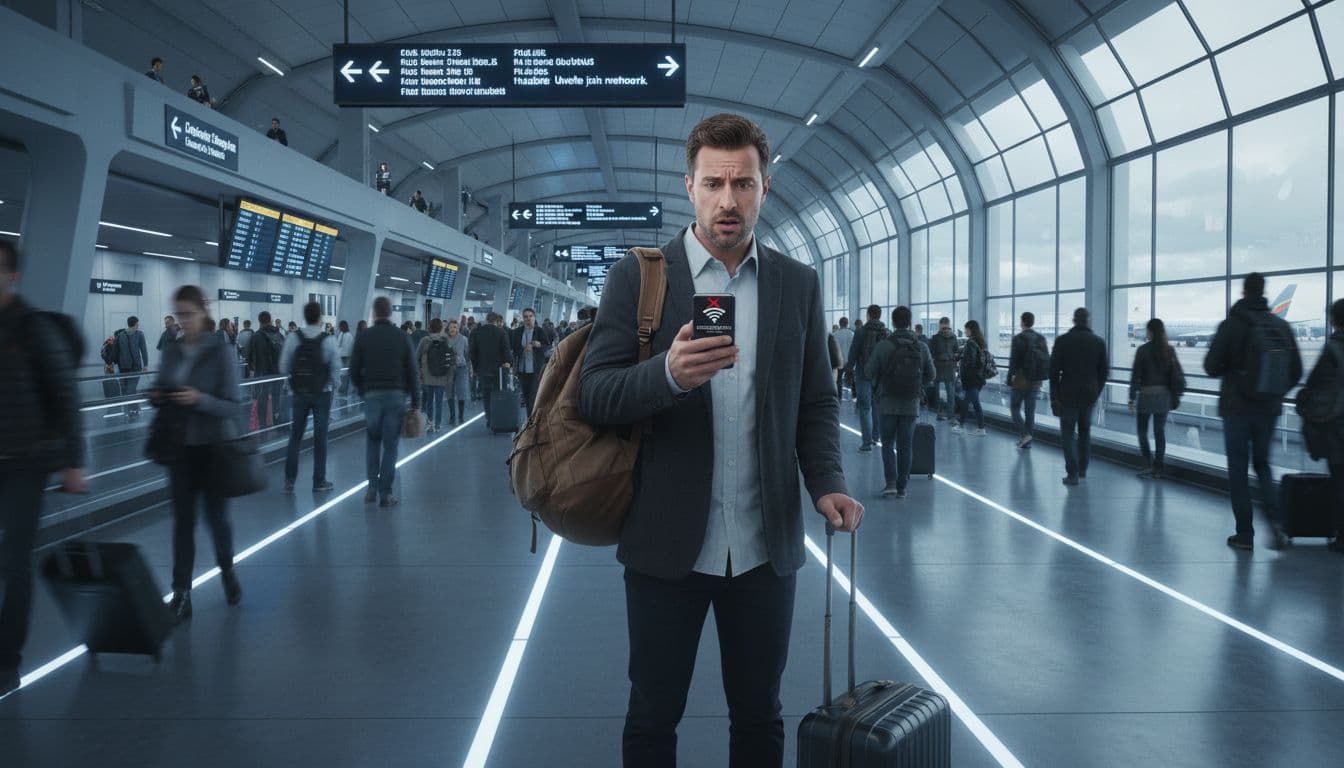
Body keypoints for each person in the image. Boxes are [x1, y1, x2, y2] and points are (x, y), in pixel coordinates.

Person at [579, 112, 862, 768]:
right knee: (653, 714)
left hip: (765, 548)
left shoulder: (796, 284)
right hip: (666, 546)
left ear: (766, 188)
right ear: (689, 186)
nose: (727, 200)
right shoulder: (641, 278)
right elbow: (596, 395)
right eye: (713, 183)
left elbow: (814, 402)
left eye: (743, 184)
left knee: (760, 715)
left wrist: (828, 482)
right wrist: (667, 376)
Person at [0, 241, 86, 697]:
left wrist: (73, 461)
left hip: (25, 462)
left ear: (13, 275)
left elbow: (65, 396)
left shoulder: (33, 329)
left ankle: (6, 661)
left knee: (14, 562)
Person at [150, 285, 243, 623]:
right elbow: (159, 385)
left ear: (203, 313)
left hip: (213, 448)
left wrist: (199, 400)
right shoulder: (172, 351)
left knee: (217, 520)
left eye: (189, 314)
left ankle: (227, 570)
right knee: (183, 523)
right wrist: (159, 394)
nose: (183, 322)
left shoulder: (221, 352)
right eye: (179, 315)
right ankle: (181, 593)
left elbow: (233, 405)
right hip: (179, 450)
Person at [1205, 273, 1303, 550]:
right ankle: (1277, 523)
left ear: (1244, 290)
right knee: (1263, 465)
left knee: (1238, 470)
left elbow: (1211, 366)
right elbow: (1296, 371)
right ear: (1263, 292)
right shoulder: (1280, 326)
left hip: (1237, 408)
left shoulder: (1232, 325)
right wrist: (1273, 393)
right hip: (1268, 410)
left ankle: (1245, 534)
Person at [349, 297, 420, 507]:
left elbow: (353, 370)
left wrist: (363, 390)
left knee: (372, 442)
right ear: (390, 313)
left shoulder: (364, 337)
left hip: (372, 396)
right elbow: (412, 370)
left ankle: (371, 487)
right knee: (391, 446)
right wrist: (415, 399)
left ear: (374, 313)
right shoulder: (401, 337)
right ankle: (386, 492)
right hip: (396, 396)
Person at [865, 306, 935, 498]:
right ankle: (903, 486)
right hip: (911, 403)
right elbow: (932, 374)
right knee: (906, 444)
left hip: (886, 402)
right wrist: (918, 387)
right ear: (910, 322)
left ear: (894, 322)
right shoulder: (921, 347)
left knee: (887, 443)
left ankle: (890, 483)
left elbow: (869, 371)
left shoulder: (884, 345)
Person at [1297, 298, 1344, 553]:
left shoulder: (1333, 349)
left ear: (1334, 320)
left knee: (1339, 479)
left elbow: (1315, 383)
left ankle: (1341, 535)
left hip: (1338, 425)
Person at [280, 301, 340, 493]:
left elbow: (283, 366)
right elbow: (336, 369)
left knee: (295, 437)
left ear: (305, 317)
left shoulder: (292, 338)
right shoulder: (328, 339)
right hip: (322, 393)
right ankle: (319, 481)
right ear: (320, 317)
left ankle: (289, 481)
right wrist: (333, 386)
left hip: (299, 393)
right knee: (320, 438)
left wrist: (293, 379)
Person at [1050, 308, 1109, 487]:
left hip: (1067, 394)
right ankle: (1083, 468)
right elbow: (1104, 372)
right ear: (1087, 320)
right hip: (1089, 394)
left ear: (1074, 320)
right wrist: (1096, 391)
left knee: (1068, 434)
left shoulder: (1063, 341)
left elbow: (1053, 371)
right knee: (1085, 432)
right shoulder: (1098, 342)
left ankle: (1072, 472)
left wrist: (1055, 395)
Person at [1128, 319, 1182, 479]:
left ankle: (1147, 463)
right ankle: (1158, 468)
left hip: (1146, 396)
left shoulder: (1142, 350)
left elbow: (1135, 376)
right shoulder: (1169, 350)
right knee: (1159, 432)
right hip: (1163, 397)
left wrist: (1131, 398)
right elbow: (1176, 373)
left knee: (1142, 432)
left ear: (1150, 332)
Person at [847, 304, 888, 452]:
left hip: (863, 373)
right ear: (880, 315)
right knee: (877, 406)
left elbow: (853, 354)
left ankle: (866, 444)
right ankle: (876, 437)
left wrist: (848, 371)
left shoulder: (860, 332)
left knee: (865, 408)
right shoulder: (885, 332)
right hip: (879, 374)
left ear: (868, 315)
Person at [1008, 312, 1049, 449]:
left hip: (1021, 379)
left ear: (1022, 322)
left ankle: (1025, 435)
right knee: (1030, 412)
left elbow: (1013, 361)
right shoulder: (1041, 338)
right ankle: (1027, 442)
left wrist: (1010, 379)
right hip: (1036, 381)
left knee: (1014, 408)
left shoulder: (1018, 338)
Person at [467, 312, 512, 430]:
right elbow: (506, 351)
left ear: (486, 320)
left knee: (486, 396)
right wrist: (509, 364)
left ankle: (489, 419)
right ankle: (498, 420)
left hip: (483, 370)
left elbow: (472, 353)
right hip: (499, 371)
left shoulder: (477, 332)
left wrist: (476, 368)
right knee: (498, 395)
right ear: (497, 321)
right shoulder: (502, 332)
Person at [510, 307, 555, 418]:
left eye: (530, 316)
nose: (528, 319)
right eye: (526, 317)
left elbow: (547, 346)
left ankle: (531, 420)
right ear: (523, 318)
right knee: (525, 395)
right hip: (522, 369)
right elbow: (513, 349)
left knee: (532, 396)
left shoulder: (540, 331)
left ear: (534, 318)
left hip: (535, 369)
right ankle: (530, 418)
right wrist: (522, 350)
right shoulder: (517, 332)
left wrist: (539, 345)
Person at [248, 311, 285, 426]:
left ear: (259, 321)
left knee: (262, 399)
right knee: (277, 398)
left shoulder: (255, 336)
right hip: (278, 374)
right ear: (271, 320)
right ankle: (277, 422)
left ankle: (264, 425)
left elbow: (248, 357)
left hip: (262, 375)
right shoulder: (279, 335)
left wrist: (252, 368)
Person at [417, 319, 453, 433]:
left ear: (429, 327)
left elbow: (417, 356)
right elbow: (451, 357)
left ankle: (430, 424)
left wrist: (420, 370)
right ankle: (438, 425)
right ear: (441, 328)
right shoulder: (445, 340)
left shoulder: (425, 340)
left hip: (427, 376)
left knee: (428, 401)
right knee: (438, 401)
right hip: (442, 376)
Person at [955, 320, 989, 436]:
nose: (964, 331)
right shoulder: (981, 341)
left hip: (972, 378)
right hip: (979, 377)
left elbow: (970, 361)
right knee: (967, 402)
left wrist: (961, 360)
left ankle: (980, 428)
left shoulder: (970, 342)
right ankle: (962, 425)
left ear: (971, 329)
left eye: (966, 329)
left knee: (974, 403)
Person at [113, 315, 149, 416]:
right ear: (136, 324)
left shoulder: (128, 335)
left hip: (129, 366)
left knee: (128, 389)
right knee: (127, 390)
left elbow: (143, 350)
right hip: (129, 366)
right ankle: (130, 410)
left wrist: (145, 364)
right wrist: (145, 364)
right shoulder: (126, 335)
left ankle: (132, 410)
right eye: (138, 323)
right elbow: (143, 350)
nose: (138, 325)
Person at [928, 317, 960, 421]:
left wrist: (955, 362)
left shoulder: (953, 337)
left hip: (949, 366)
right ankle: (939, 414)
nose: (945, 329)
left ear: (949, 325)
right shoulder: (935, 338)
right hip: (937, 366)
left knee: (950, 393)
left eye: (946, 326)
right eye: (943, 326)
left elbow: (956, 351)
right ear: (940, 326)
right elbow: (931, 352)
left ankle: (951, 416)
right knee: (936, 393)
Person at [444, 319, 470, 426]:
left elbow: (467, 354)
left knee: (461, 391)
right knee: (449, 392)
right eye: (451, 327)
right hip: (449, 368)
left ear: (458, 328)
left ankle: (461, 415)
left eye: (455, 327)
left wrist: (468, 366)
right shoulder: (444, 339)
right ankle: (452, 416)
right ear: (448, 328)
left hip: (461, 368)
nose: (453, 329)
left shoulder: (464, 339)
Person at [833, 317, 853, 400]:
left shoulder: (835, 334)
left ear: (840, 323)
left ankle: (839, 398)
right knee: (851, 380)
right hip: (850, 361)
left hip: (839, 361)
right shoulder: (852, 334)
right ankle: (852, 397)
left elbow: (834, 349)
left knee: (839, 380)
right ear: (847, 323)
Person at [335, 320, 354, 395]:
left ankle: (344, 389)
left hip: (346, 357)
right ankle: (341, 389)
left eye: (340, 326)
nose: (339, 328)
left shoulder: (349, 336)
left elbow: (350, 348)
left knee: (345, 374)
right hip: (340, 357)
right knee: (341, 374)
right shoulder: (341, 334)